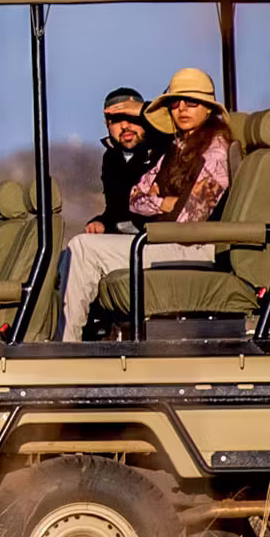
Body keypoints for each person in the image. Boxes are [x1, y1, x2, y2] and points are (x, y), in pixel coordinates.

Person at [55, 68, 232, 341]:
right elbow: (135, 199)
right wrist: (167, 202)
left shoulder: (215, 152)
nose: (182, 109)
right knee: (75, 249)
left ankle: (66, 349)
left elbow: (190, 218)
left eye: (191, 102)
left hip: (194, 245)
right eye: (175, 102)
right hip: (166, 239)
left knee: (83, 248)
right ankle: (69, 339)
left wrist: (158, 201)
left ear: (208, 108)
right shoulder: (178, 147)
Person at [84, 88, 168, 236]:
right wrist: (101, 223)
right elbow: (115, 211)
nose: (125, 126)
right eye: (116, 120)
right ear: (107, 124)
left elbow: (171, 125)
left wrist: (146, 109)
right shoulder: (111, 158)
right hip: (127, 237)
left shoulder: (163, 146)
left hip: (158, 234)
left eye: (132, 117)